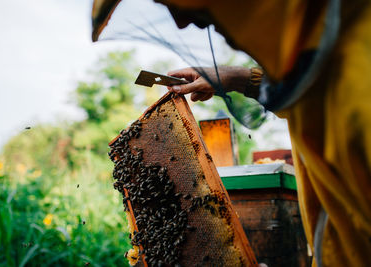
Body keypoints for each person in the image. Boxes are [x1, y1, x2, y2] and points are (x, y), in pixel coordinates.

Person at [92, 0, 371, 266]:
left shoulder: (358, 92)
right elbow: (306, 89)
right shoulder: (329, 57)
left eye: (176, 3)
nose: (181, 22)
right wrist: (238, 78)